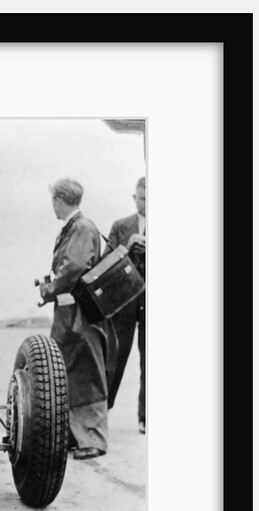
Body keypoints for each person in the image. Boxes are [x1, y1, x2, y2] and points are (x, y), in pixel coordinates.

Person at [38, 179, 111, 460]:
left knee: (87, 370)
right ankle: (78, 435)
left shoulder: (80, 227)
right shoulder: (78, 227)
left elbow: (75, 266)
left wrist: (50, 289)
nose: (52, 206)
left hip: (79, 312)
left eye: (53, 200)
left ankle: (93, 438)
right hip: (70, 310)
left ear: (59, 199)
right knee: (67, 368)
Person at [106, 176, 146, 435]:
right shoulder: (120, 227)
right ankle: (102, 412)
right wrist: (126, 248)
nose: (147, 203)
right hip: (124, 304)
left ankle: (147, 417)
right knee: (115, 357)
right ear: (134, 198)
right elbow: (104, 263)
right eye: (143, 198)